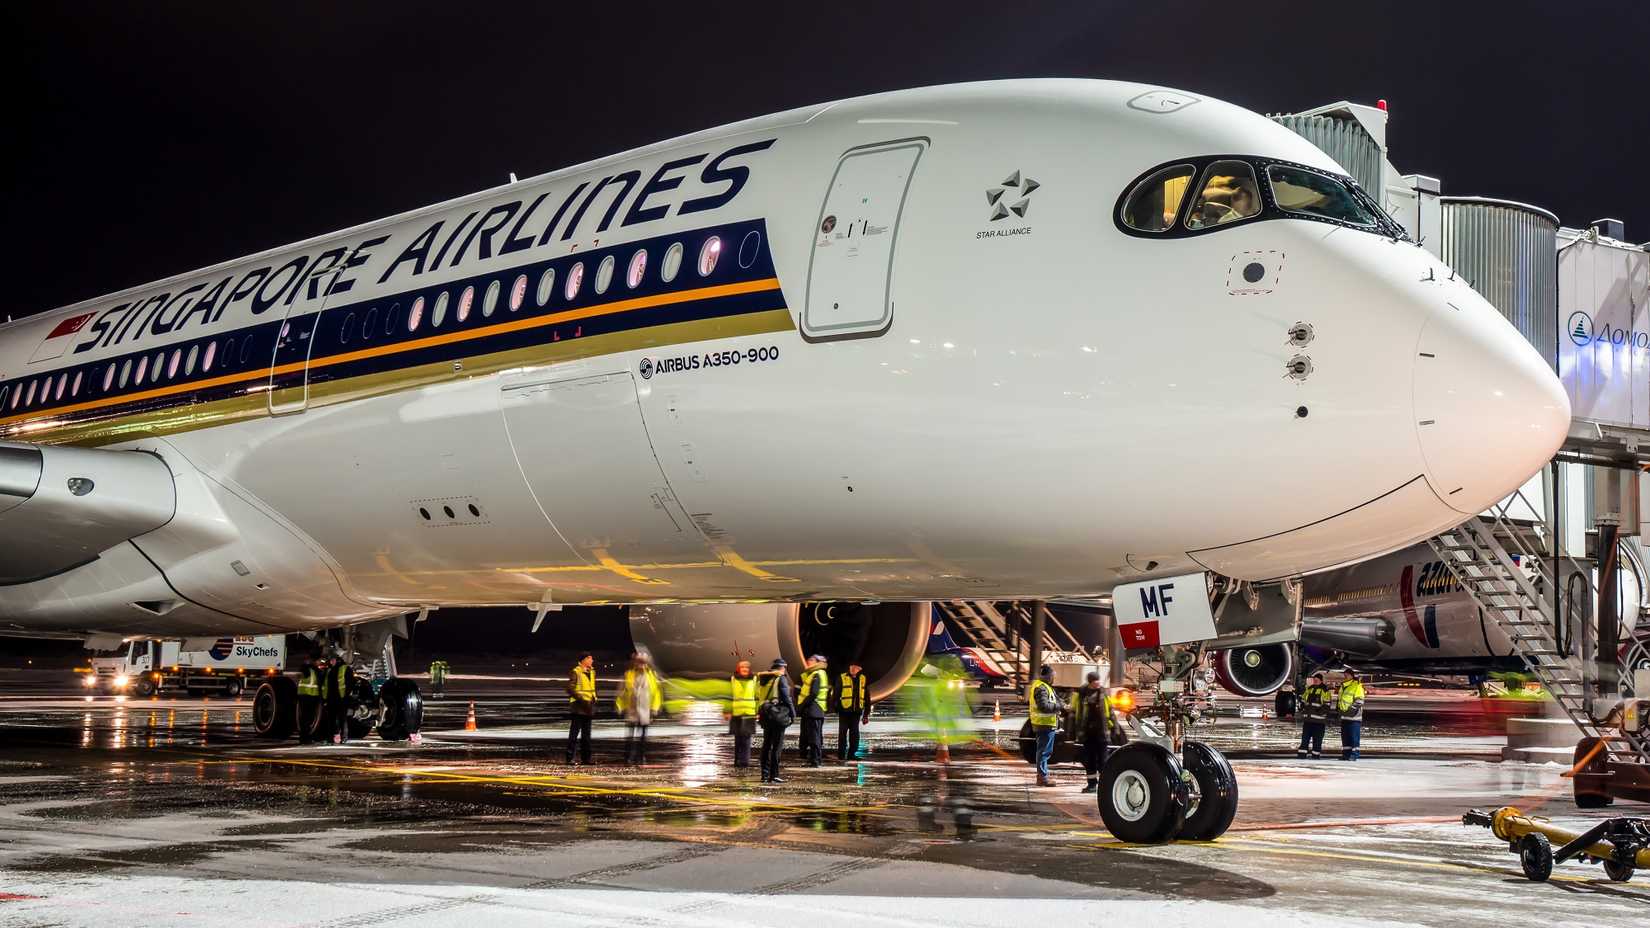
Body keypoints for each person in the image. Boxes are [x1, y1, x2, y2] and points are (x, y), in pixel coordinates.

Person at [1068, 671, 1112, 793]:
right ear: (1090, 682)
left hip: (1101, 733)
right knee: (1089, 761)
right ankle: (1092, 785)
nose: (1098, 683)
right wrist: (1072, 732)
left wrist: (1114, 728)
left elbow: (1110, 711)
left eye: (1098, 680)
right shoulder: (1081, 694)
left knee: (1104, 761)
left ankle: (1106, 786)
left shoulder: (1103, 693)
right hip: (1087, 733)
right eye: (1095, 681)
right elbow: (1074, 713)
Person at [615, 652, 661, 764]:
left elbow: (656, 694)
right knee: (630, 736)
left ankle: (641, 757)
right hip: (632, 709)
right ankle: (628, 757)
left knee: (643, 737)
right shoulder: (628, 674)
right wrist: (620, 706)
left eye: (643, 662)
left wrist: (654, 709)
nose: (641, 664)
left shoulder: (651, 676)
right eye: (639, 662)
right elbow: (621, 692)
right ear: (635, 663)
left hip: (645, 710)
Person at [758, 658, 795, 783]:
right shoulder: (780, 678)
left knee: (766, 745)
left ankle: (764, 774)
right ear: (782, 668)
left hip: (765, 714)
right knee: (777, 746)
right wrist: (793, 713)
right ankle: (774, 775)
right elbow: (786, 698)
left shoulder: (763, 679)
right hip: (777, 715)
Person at [1028, 664, 1060, 787]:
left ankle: (1042, 776)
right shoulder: (1041, 688)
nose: (1054, 678)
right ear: (1048, 676)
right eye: (1053, 675)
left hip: (1046, 724)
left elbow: (1055, 700)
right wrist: (1059, 707)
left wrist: (1062, 704)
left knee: (1044, 751)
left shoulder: (1045, 687)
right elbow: (1044, 707)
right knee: (1043, 752)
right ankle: (1042, 777)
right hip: (1044, 724)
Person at [797, 654, 829, 766]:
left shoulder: (817, 674)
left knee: (814, 737)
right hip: (816, 709)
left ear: (817, 662)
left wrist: (802, 705)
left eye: (811, 660)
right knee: (815, 736)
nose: (808, 661)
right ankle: (815, 759)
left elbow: (814, 693)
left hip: (813, 709)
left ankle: (815, 760)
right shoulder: (817, 673)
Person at [835, 662, 870, 761]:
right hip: (844, 711)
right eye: (851, 667)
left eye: (855, 667)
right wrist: (837, 708)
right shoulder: (842, 677)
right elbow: (836, 694)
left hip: (856, 712)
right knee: (842, 734)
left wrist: (866, 714)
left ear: (860, 669)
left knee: (854, 735)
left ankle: (852, 754)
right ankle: (841, 755)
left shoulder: (863, 679)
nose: (853, 669)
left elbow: (867, 697)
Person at [565, 652, 596, 765]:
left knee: (586, 735)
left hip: (588, 707)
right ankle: (569, 758)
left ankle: (586, 759)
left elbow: (591, 689)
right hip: (578, 707)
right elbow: (570, 689)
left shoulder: (592, 672)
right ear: (584, 660)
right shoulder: (576, 672)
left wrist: (592, 701)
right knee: (574, 734)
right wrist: (581, 700)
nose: (592, 661)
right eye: (590, 658)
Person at [728, 660, 759, 768]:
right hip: (736, 713)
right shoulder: (733, 679)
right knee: (738, 739)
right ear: (738, 669)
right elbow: (728, 695)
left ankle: (744, 762)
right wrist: (727, 710)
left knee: (746, 738)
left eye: (746, 667)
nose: (744, 669)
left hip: (749, 713)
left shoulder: (754, 679)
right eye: (742, 667)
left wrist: (758, 711)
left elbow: (757, 695)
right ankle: (737, 761)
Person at [1297, 673, 1330, 759]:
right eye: (1314, 680)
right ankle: (1302, 755)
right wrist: (1302, 706)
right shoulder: (1310, 689)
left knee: (1317, 740)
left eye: (1317, 680)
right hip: (1308, 720)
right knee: (1305, 739)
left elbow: (1327, 705)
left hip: (1318, 721)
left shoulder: (1325, 691)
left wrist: (1319, 712)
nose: (1315, 681)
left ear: (1321, 680)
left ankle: (1315, 756)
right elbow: (1304, 700)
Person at [324, 653, 355, 745]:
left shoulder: (345, 668)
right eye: (330, 660)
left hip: (341, 698)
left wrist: (346, 695)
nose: (331, 662)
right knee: (331, 720)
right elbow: (325, 685)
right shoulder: (329, 670)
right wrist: (325, 698)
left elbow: (350, 683)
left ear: (337, 660)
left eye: (333, 660)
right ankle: (330, 738)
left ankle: (344, 737)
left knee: (342, 719)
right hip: (331, 699)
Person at [295, 650, 323, 744]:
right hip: (308, 696)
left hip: (308, 696)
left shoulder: (313, 670)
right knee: (306, 719)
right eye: (319, 661)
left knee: (306, 719)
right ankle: (305, 738)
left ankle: (305, 738)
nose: (320, 662)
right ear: (315, 661)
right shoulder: (311, 670)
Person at [1337, 670, 1366, 761]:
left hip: (1354, 717)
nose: (1345, 676)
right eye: (1344, 675)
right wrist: (1339, 709)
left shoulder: (1357, 686)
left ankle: (1354, 754)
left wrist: (1351, 710)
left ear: (1352, 676)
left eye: (1347, 675)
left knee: (1354, 737)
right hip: (1344, 716)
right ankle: (1346, 754)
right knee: (1345, 737)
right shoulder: (1343, 686)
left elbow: (1359, 701)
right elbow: (1340, 700)